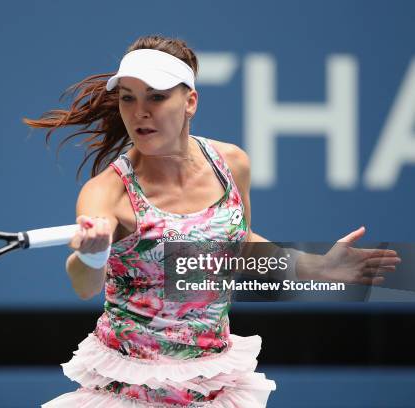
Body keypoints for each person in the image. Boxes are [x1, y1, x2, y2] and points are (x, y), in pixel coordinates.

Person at [24, 35, 400, 407]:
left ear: (190, 102)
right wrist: (93, 254)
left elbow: (239, 246)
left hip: (212, 389)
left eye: (156, 96)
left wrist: (315, 267)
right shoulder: (106, 192)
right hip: (127, 395)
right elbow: (84, 285)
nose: (140, 111)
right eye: (128, 98)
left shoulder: (231, 163)